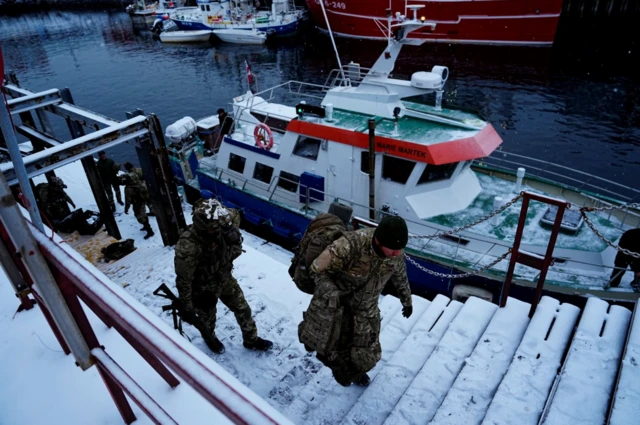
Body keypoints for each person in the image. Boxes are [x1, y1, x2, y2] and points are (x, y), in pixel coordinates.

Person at [299, 215, 413, 387]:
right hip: (338, 305)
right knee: (328, 342)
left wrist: (407, 300)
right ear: (379, 241)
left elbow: (400, 275)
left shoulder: (395, 250)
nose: (397, 254)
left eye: (400, 249)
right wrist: (333, 293)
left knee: (368, 351)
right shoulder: (350, 245)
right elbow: (316, 269)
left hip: (367, 309)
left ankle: (355, 371)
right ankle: (323, 351)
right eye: (393, 250)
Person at [174, 198, 273, 354]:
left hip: (225, 278)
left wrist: (231, 231)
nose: (218, 230)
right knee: (207, 321)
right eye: (214, 229)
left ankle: (251, 339)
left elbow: (235, 215)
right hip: (204, 288)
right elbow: (183, 280)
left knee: (243, 309)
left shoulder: (224, 220)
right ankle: (210, 338)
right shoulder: (188, 246)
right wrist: (187, 305)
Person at [119, 162, 154, 240]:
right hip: (142, 198)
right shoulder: (138, 174)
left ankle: (150, 231)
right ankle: (146, 226)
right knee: (143, 214)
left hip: (137, 202)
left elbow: (127, 200)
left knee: (140, 216)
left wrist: (126, 208)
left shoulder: (129, 188)